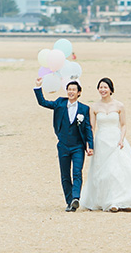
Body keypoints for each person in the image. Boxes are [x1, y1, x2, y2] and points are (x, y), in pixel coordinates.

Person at [79, 77, 131, 212]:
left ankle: (115, 200)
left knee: (116, 170)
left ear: (111, 89)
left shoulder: (119, 106)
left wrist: (121, 139)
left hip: (116, 141)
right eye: (100, 87)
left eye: (105, 87)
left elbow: (123, 125)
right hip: (101, 141)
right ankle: (105, 199)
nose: (102, 90)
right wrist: (89, 144)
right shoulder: (94, 107)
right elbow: (91, 127)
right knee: (103, 172)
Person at [33, 77, 94, 212]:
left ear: (79, 92)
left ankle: (76, 197)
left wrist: (90, 145)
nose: (71, 92)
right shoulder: (60, 103)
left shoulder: (84, 109)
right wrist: (38, 87)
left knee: (77, 172)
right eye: (69, 89)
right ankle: (70, 202)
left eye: (74, 90)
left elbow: (88, 128)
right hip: (63, 146)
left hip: (78, 146)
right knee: (65, 175)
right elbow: (42, 102)